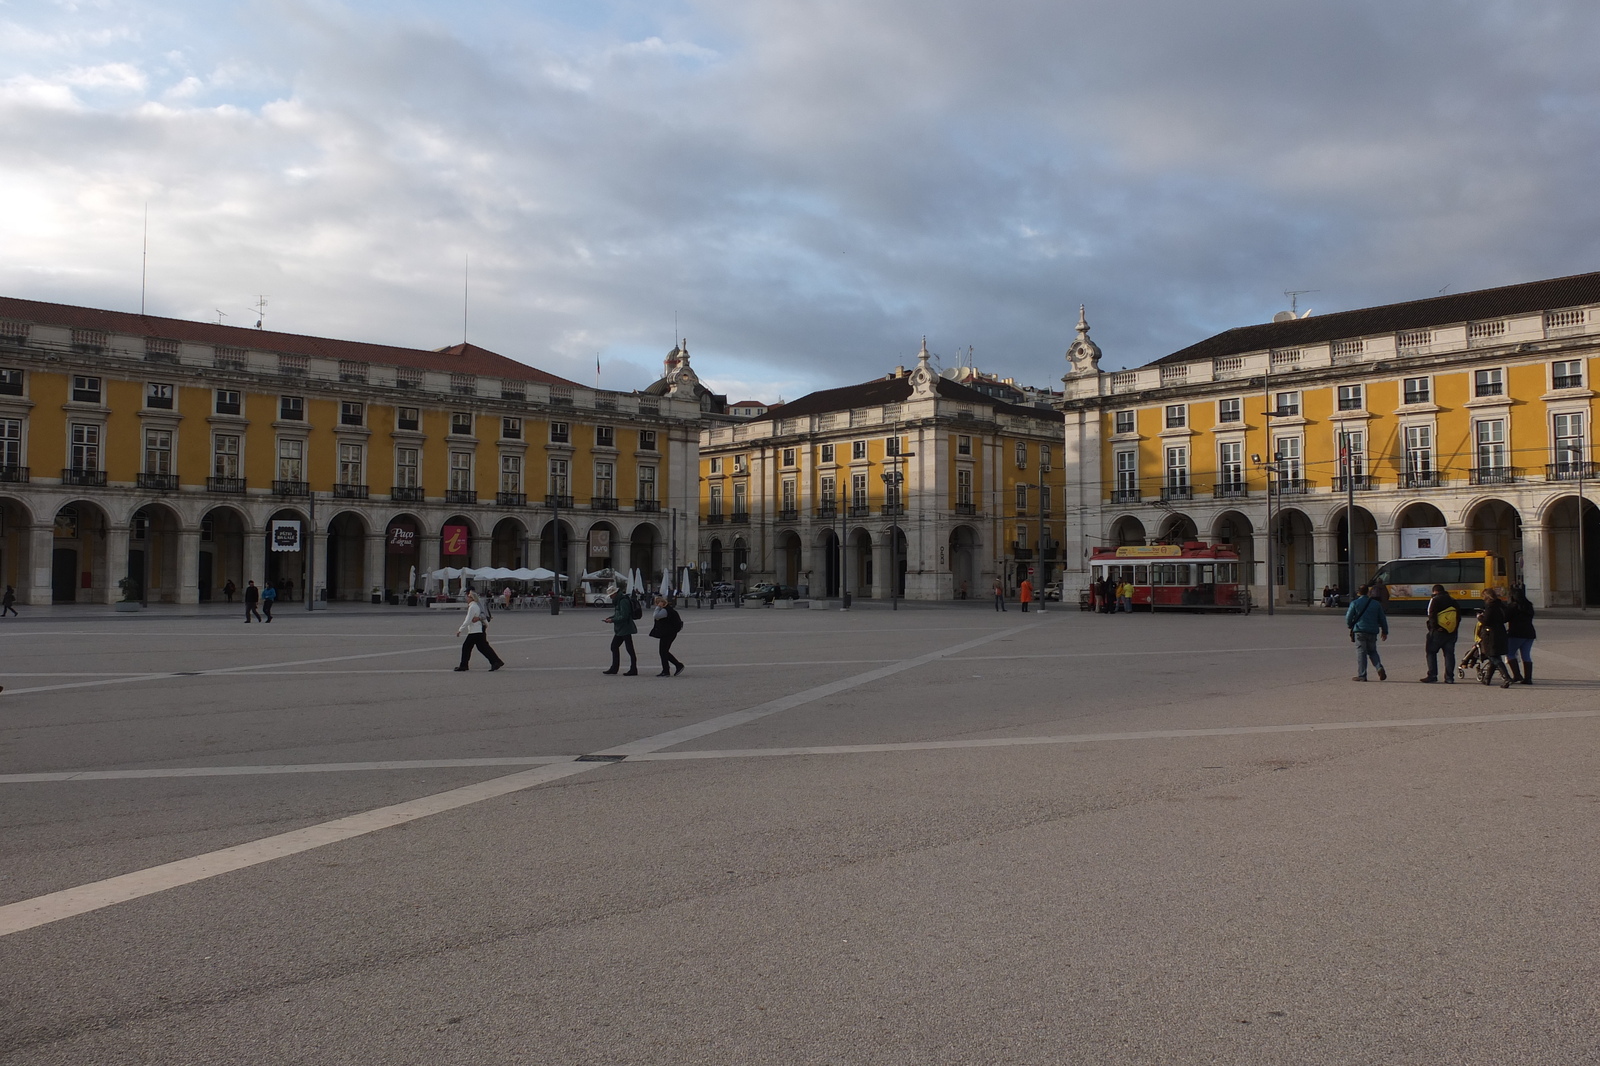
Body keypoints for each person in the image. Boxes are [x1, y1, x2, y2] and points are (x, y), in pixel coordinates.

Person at [1345, 583, 1389, 681]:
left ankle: (1362, 675)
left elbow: (1348, 617)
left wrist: (1350, 625)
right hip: (1372, 631)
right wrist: (1384, 631)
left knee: (1361, 652)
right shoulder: (1376, 604)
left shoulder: (1355, 603)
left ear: (1359, 593)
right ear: (1368, 592)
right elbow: (1382, 618)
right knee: (1372, 651)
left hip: (1360, 630)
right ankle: (1379, 667)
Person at [454, 589, 504, 671]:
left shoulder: (473, 606)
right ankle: (496, 661)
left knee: (467, 647)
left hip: (475, 631)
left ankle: (464, 665)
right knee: (482, 647)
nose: (466, 598)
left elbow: (468, 619)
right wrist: (486, 624)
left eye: (468, 596)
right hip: (478, 630)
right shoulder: (475, 605)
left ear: (471, 598)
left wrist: (460, 629)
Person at [1420, 583, 1460, 684]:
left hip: (1438, 632)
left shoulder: (1435, 600)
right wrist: (1453, 628)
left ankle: (1432, 675)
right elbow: (1458, 617)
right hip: (1451, 632)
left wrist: (1435, 627)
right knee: (1449, 654)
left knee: (1431, 652)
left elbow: (1431, 615)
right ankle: (1449, 677)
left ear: (1435, 592)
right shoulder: (1453, 600)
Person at [1476, 588, 1514, 688]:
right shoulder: (1501, 605)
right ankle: (1487, 679)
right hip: (1500, 631)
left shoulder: (1490, 607)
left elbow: (1487, 621)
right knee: (1494, 655)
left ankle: (1507, 678)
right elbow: (1505, 618)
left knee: (1492, 656)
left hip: (1491, 634)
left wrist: (1480, 617)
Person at [602, 584, 639, 675]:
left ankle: (632, 669)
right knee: (617, 647)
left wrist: (612, 620)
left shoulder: (623, 601)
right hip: (621, 628)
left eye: (611, 595)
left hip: (625, 628)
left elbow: (624, 616)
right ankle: (615, 668)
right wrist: (611, 618)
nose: (610, 597)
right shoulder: (619, 600)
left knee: (628, 648)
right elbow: (619, 614)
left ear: (615, 594)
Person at [1506, 586, 1537, 684]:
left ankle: (1517, 675)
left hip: (1516, 633)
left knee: (1510, 653)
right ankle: (1528, 678)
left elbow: (1505, 618)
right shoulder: (1529, 605)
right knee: (1526, 655)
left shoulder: (1513, 606)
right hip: (1530, 633)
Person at [649, 594, 685, 676]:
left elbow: (655, 615)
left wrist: (658, 607)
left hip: (668, 634)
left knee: (663, 651)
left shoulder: (665, 610)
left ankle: (668, 670)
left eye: (658, 602)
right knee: (664, 652)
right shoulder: (668, 609)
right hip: (669, 633)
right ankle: (676, 666)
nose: (657, 604)